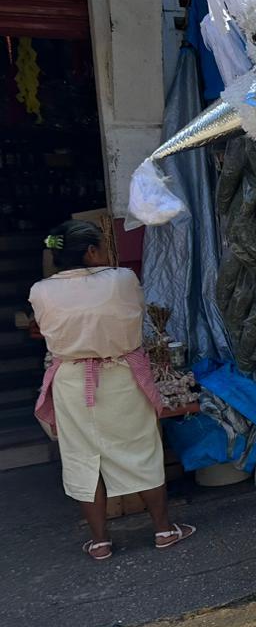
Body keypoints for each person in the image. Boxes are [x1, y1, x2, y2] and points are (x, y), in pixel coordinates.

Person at [29, 221, 195, 561]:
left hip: (72, 381)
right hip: (120, 376)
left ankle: (100, 541)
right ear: (91, 252)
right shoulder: (122, 279)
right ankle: (163, 529)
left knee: (82, 458)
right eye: (102, 247)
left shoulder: (40, 291)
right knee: (142, 451)